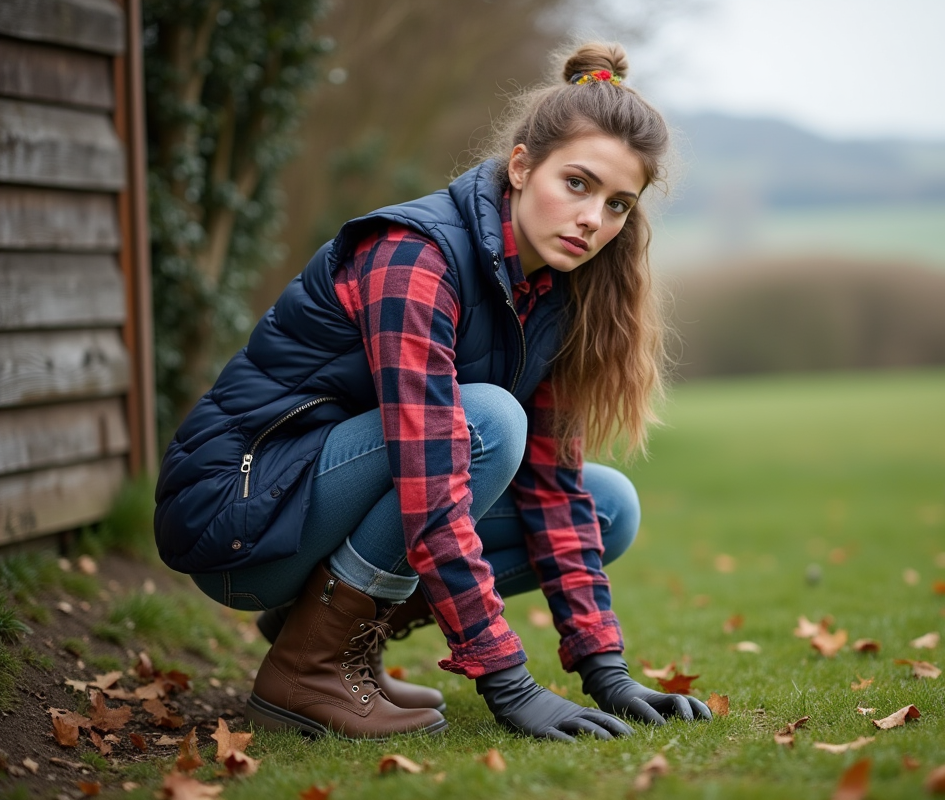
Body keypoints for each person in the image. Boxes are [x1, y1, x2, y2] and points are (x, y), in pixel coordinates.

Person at [154, 42, 710, 741]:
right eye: (577, 183)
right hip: (240, 519)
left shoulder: (554, 294)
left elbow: (551, 485)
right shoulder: (415, 256)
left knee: (608, 507)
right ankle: (308, 666)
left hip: (320, 507)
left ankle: (333, 634)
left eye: (617, 204)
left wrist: (608, 671)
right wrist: (508, 682)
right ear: (520, 166)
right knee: (489, 422)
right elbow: (431, 472)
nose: (593, 219)